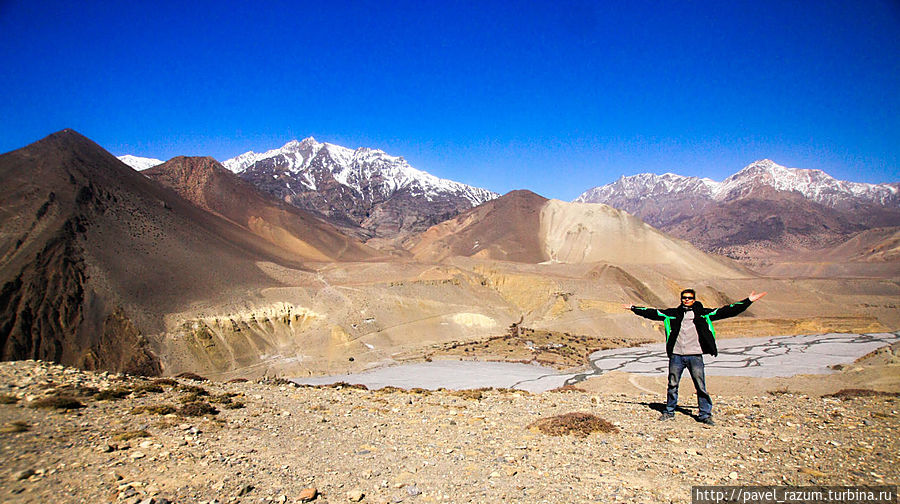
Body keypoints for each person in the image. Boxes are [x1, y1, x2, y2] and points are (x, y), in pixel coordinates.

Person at [624, 289, 767, 425]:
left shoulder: (703, 314)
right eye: (684, 298)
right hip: (676, 355)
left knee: (700, 386)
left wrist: (748, 301)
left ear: (694, 299)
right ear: (681, 299)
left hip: (695, 356)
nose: (687, 300)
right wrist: (633, 308)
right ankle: (669, 411)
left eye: (689, 298)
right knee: (672, 384)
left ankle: (705, 414)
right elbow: (652, 313)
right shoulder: (672, 314)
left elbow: (727, 311)